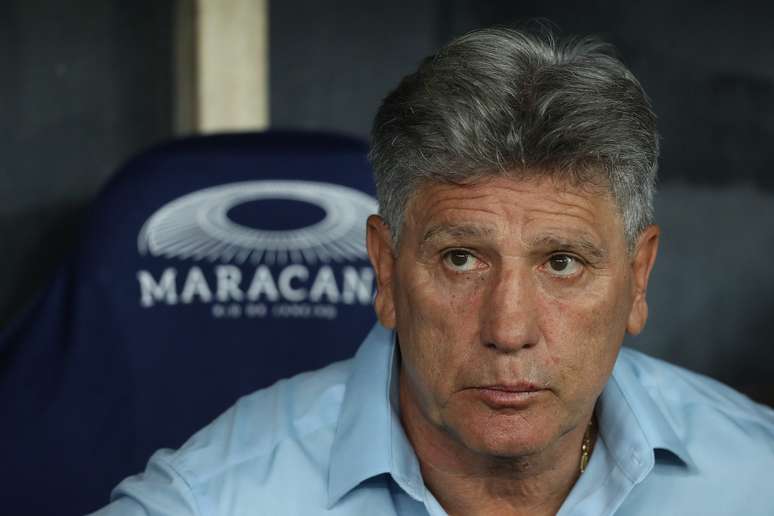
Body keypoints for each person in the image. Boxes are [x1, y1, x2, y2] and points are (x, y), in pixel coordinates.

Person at [91, 26, 774, 516]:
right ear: (386, 272)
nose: (509, 329)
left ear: (639, 277)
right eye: (460, 258)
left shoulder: (757, 477)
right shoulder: (214, 499)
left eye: (562, 263)